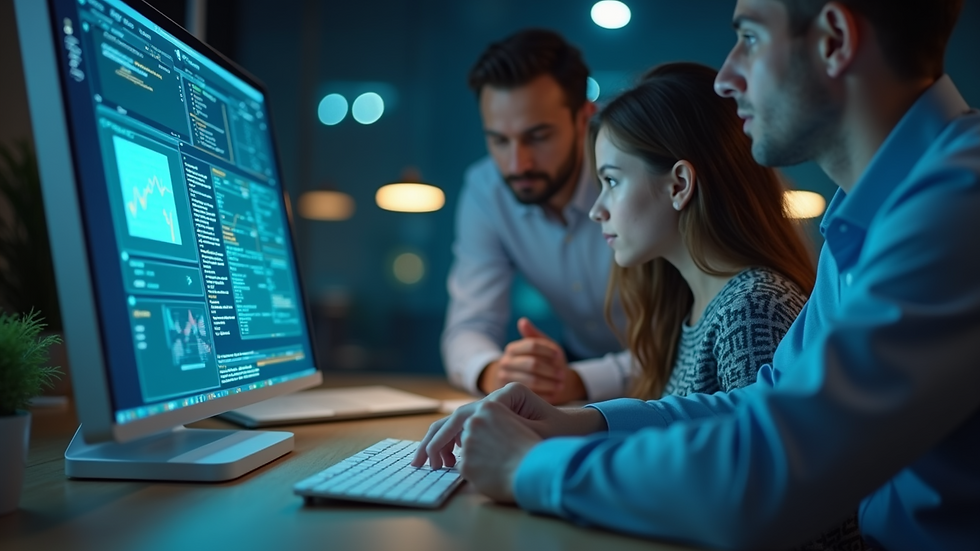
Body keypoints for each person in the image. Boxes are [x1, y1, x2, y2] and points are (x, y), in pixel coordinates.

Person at [414, 1, 980, 549]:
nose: (726, 76)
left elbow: (765, 475)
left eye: (751, 37)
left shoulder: (957, 208)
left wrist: (530, 467)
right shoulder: (867, 217)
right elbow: (760, 406)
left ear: (834, 40)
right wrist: (579, 422)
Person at [588, 62, 814, 402]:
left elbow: (756, 451)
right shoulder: (697, 304)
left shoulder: (750, 309)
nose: (596, 210)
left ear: (679, 184)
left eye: (612, 181)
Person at [443, 29, 631, 405]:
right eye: (499, 140)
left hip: (668, 378)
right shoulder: (485, 190)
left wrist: (579, 381)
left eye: (538, 136)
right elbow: (469, 327)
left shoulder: (635, 175)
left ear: (584, 118)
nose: (517, 164)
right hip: (573, 373)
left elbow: (687, 344)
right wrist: (495, 370)